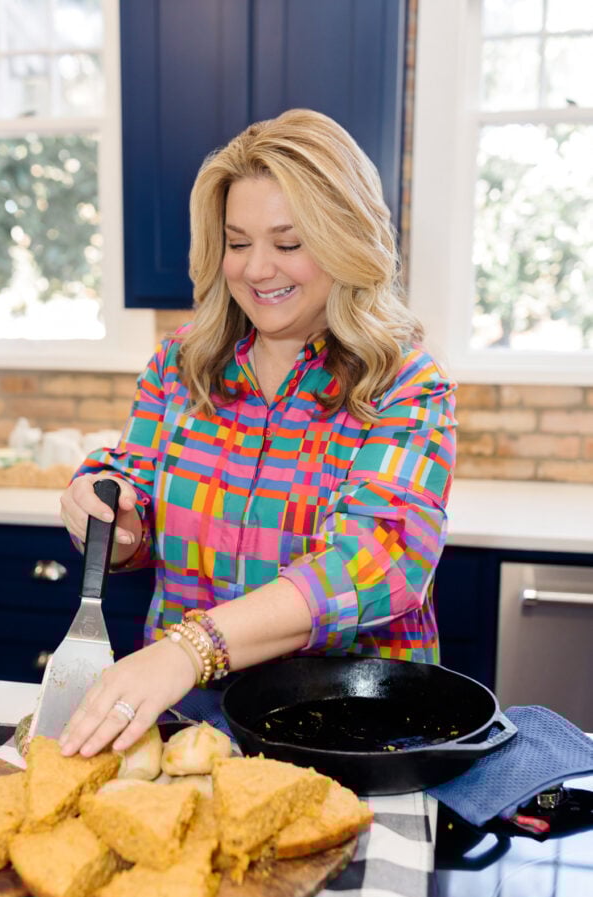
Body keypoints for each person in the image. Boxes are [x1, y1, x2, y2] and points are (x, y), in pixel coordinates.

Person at [58, 108, 457, 759]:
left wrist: (190, 650)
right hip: (186, 732)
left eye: (289, 242)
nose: (256, 268)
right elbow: (139, 504)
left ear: (343, 238)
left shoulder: (404, 383)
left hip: (346, 735)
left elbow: (375, 562)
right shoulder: (180, 364)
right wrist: (112, 522)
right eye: (237, 243)